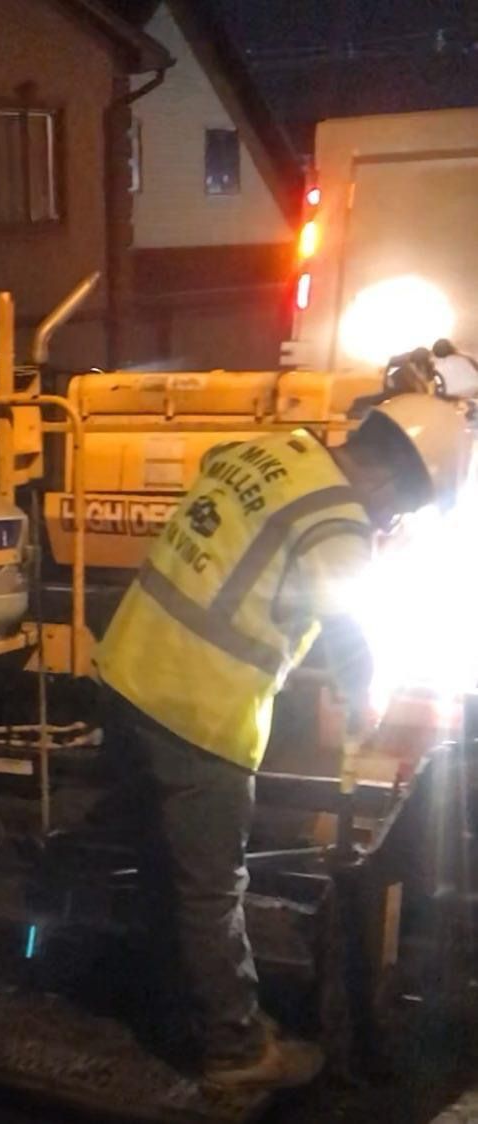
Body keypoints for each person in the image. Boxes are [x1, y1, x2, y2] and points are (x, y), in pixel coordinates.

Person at [93, 395, 471, 1089]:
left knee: (160, 866)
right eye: (400, 512)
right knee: (211, 892)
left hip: (125, 672)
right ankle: (235, 1050)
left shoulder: (272, 450)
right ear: (394, 482)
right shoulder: (338, 520)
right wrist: (367, 698)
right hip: (196, 709)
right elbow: (350, 633)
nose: (389, 523)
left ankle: (173, 1009)